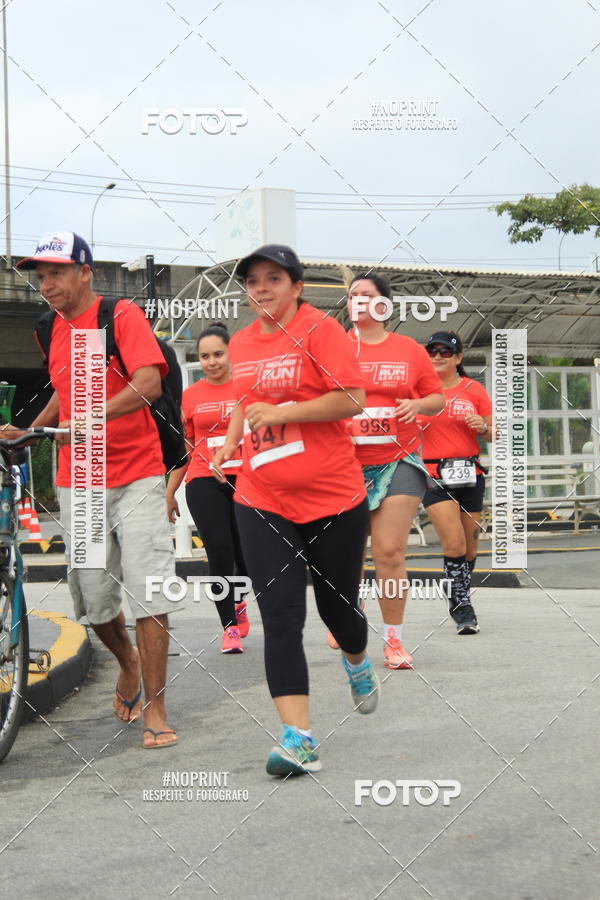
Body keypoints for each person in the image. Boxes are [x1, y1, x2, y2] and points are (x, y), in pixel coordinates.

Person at [212, 244, 379, 777]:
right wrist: (229, 442)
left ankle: (356, 659)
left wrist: (286, 410)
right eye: (253, 281)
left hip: (333, 496)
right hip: (262, 498)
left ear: (296, 286)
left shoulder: (320, 331)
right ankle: (299, 738)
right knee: (280, 615)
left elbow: (352, 398)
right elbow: (244, 401)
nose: (261, 288)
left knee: (339, 612)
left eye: (273, 279)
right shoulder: (240, 342)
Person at [16, 232, 182, 749]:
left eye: (57, 273)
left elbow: (149, 381)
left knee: (151, 590)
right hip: (80, 480)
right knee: (93, 595)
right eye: (40, 276)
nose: (47, 285)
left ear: (85, 272)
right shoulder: (49, 328)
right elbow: (64, 398)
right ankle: (127, 661)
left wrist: (94, 415)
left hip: (137, 473)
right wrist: (30, 427)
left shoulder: (120, 316)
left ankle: (156, 707)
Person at [327, 274, 444, 670]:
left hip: (400, 458)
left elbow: (437, 398)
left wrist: (418, 406)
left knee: (390, 550)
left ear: (384, 305)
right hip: (345, 463)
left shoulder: (408, 350)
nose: (358, 301)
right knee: (347, 554)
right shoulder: (334, 348)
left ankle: (394, 640)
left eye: (367, 295)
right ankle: (348, 611)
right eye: (353, 295)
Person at [166, 323, 250, 654]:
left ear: (231, 353)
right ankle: (228, 627)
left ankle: (239, 602)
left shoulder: (247, 387)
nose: (212, 361)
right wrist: (169, 491)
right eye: (205, 356)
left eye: (218, 354)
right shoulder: (190, 397)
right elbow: (184, 450)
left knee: (245, 555)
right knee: (218, 551)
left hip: (246, 479)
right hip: (203, 478)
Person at [418, 331, 494, 634]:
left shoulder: (473, 390)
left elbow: (493, 432)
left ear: (458, 358)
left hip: (469, 473)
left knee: (470, 546)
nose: (437, 357)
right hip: (433, 475)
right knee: (453, 542)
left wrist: (483, 426)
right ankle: (462, 608)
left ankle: (461, 593)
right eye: (433, 351)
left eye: (445, 352)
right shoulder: (420, 392)